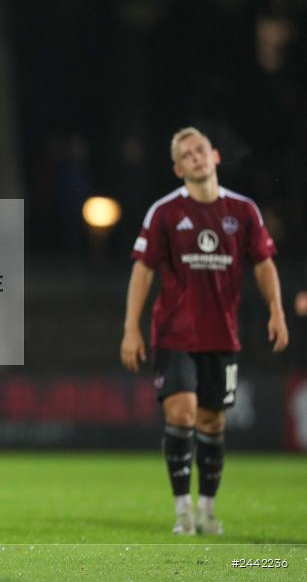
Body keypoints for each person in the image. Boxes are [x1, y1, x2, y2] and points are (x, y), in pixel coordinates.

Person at [120, 127, 289, 535]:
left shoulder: (243, 211)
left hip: (221, 334)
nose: (196, 157)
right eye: (187, 154)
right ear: (178, 169)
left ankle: (208, 509)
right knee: (181, 412)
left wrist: (276, 312)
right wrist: (131, 328)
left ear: (215, 156)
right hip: (175, 333)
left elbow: (263, 264)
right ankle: (182, 509)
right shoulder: (164, 212)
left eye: (201, 150)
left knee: (213, 422)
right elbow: (143, 270)